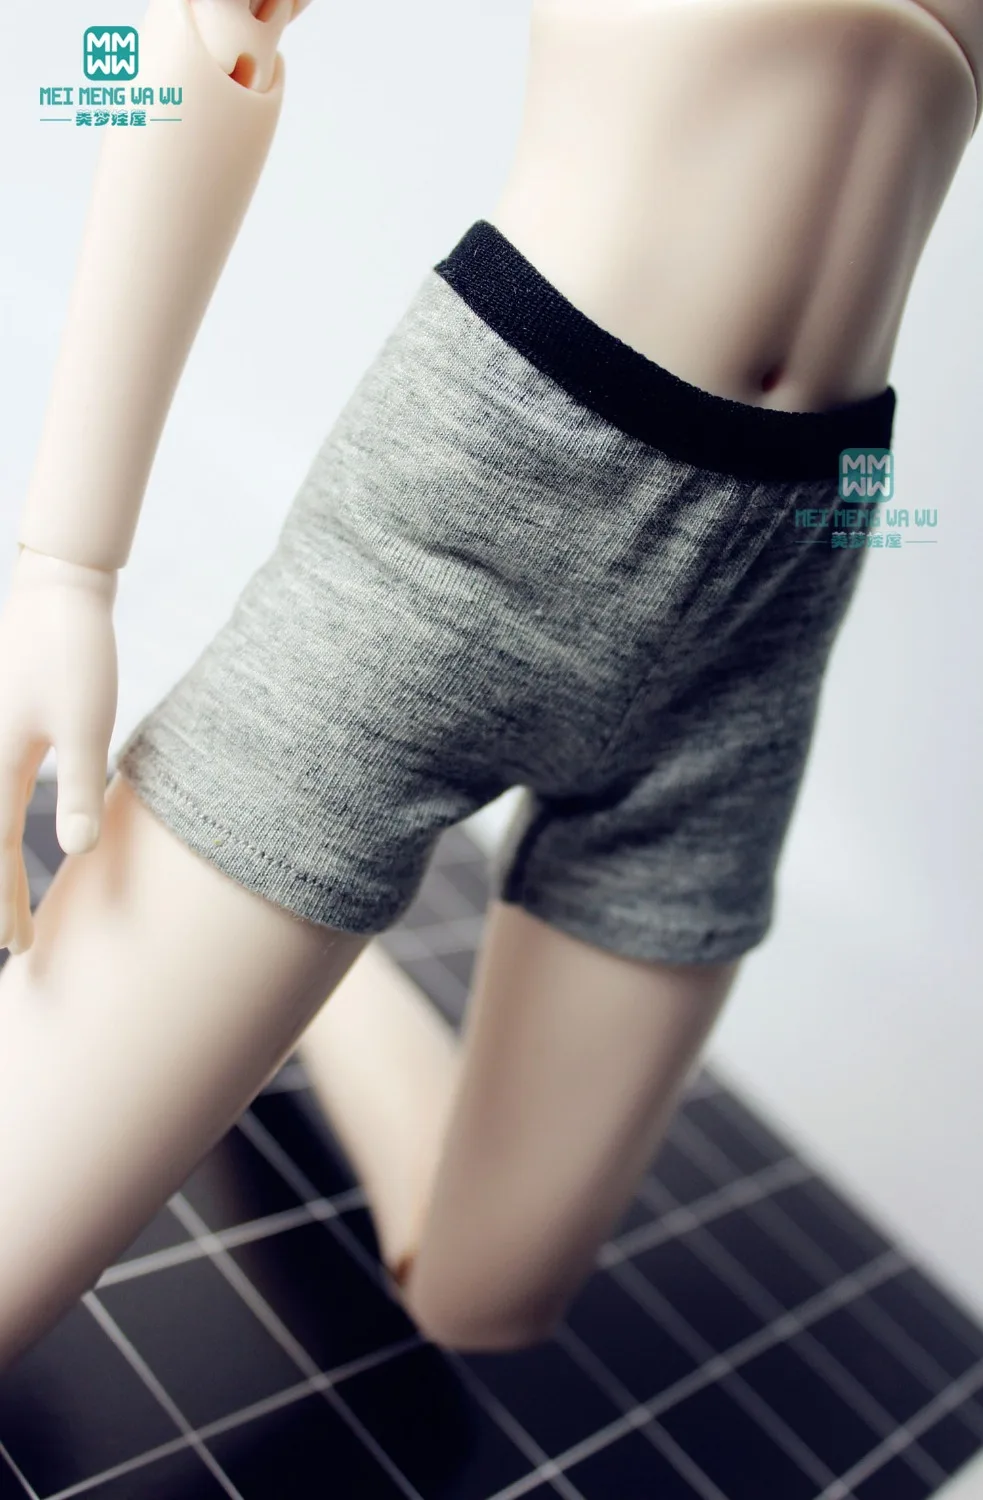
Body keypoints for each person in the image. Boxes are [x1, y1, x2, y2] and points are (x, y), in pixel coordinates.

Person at [0, 0, 978, 1367]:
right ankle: (266, 945)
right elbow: (204, 27)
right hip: (474, 522)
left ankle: (315, 981)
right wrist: (66, 564)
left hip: (778, 591)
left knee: (483, 1298)